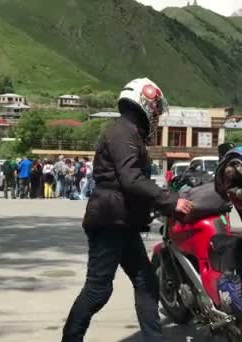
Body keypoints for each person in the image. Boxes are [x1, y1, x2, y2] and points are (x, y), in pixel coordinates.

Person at [61, 78, 194, 342]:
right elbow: (130, 179)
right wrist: (170, 201)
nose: (155, 115)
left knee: (146, 282)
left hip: (122, 221)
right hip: (111, 220)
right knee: (98, 289)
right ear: (145, 102)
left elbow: (131, 182)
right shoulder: (123, 132)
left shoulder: (128, 132)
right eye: (155, 108)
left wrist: (154, 206)